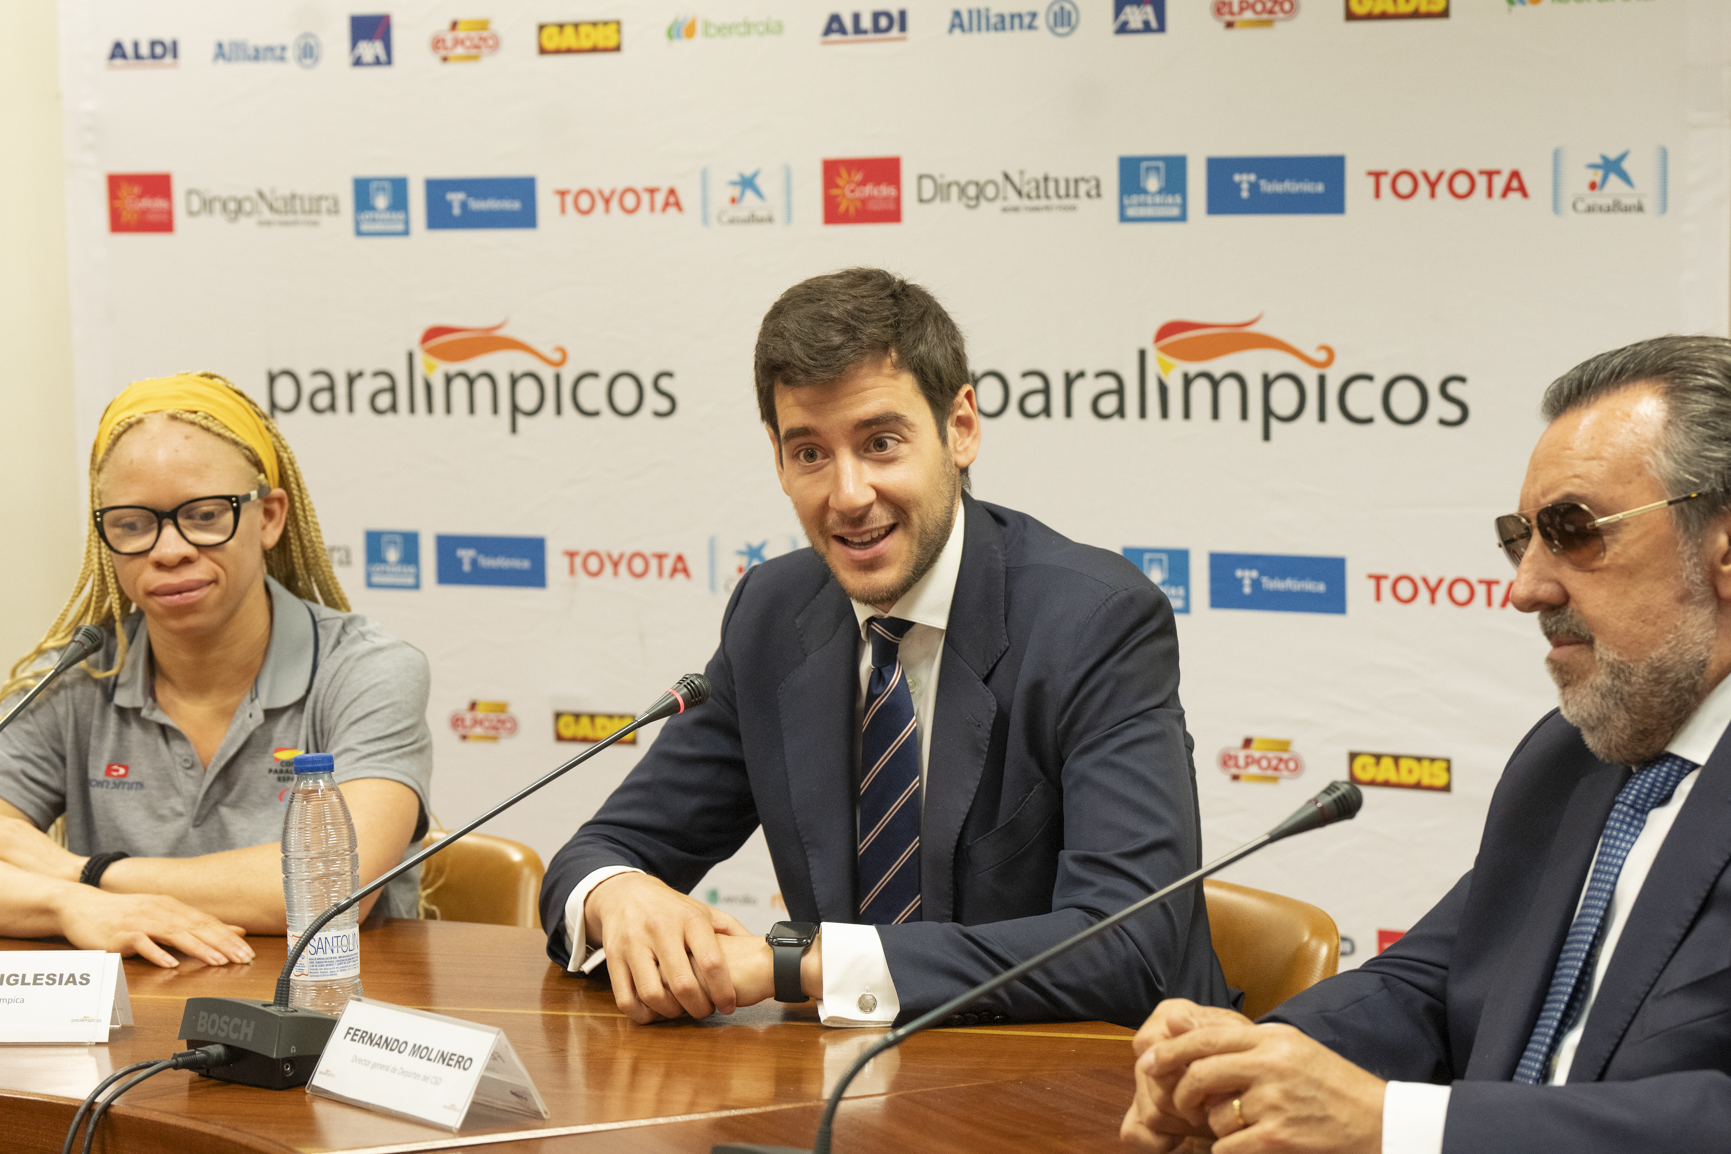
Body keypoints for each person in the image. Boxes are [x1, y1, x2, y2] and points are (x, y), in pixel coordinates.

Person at [540, 268, 1228, 1028]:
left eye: (880, 443)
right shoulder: (773, 613)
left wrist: (793, 965)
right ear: (775, 458)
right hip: (855, 1090)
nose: (848, 494)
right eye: (809, 454)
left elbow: (1125, 947)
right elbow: (598, 852)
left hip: (1097, 1094)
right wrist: (616, 892)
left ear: (959, 428)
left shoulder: (1093, 621)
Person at [1120, 334, 1731, 1154]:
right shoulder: (1564, 760)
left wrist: (1396, 1125)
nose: (1525, 587)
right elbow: (1429, 983)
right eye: (1522, 537)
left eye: (1574, 529)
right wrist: (1243, 1063)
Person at [0, 372, 433, 968]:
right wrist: (65, 905)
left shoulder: (369, 670)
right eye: (132, 524)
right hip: (127, 1026)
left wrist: (83, 872)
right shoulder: (76, 676)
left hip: (328, 1019)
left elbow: (333, 886)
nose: (169, 549)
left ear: (270, 517)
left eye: (204, 515)